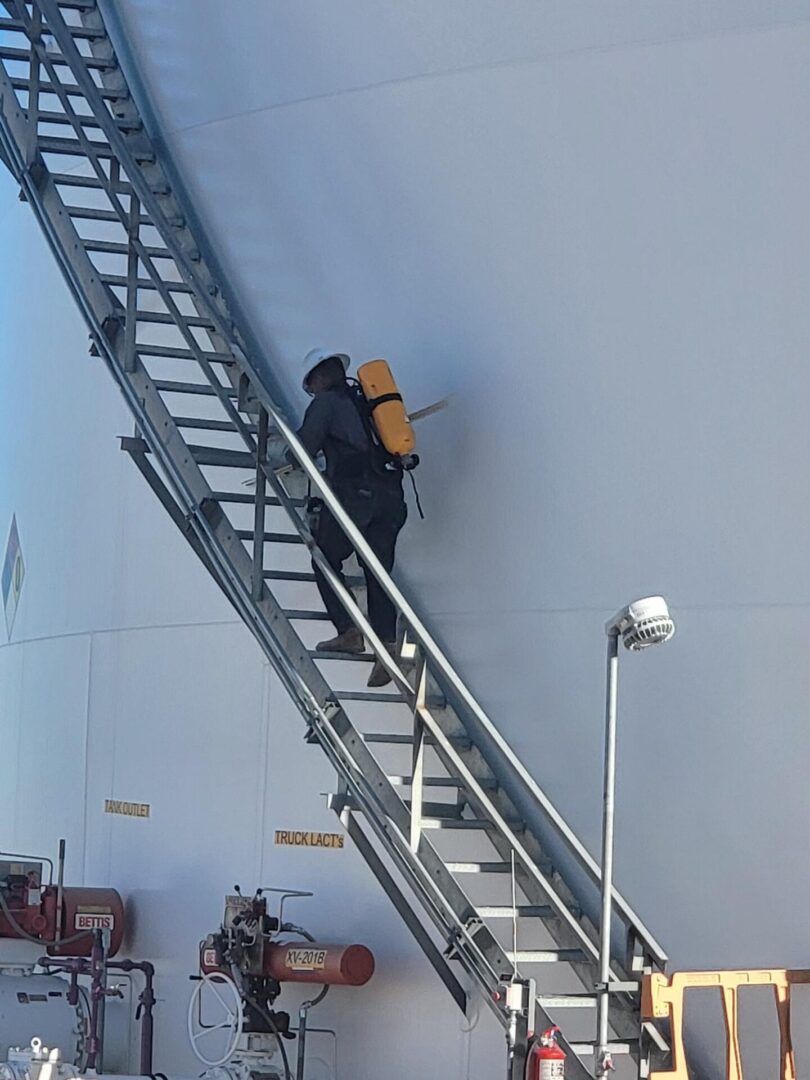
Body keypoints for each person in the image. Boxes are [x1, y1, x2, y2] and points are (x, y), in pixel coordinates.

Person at [295, 348, 407, 687]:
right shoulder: (367, 400)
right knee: (377, 571)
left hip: (357, 498)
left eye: (311, 385)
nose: (312, 391)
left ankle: (349, 631)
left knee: (324, 558)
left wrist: (286, 452)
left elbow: (303, 447)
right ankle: (387, 649)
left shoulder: (327, 403)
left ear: (318, 378)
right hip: (391, 497)